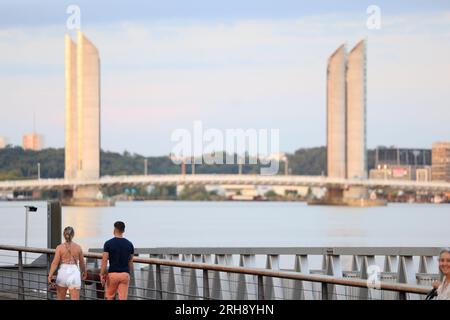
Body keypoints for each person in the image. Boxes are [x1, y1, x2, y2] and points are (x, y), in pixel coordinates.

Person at [48, 226, 86, 300]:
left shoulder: (59, 248)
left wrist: (50, 275)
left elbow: (55, 263)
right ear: (73, 235)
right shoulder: (78, 247)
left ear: (64, 235)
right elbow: (82, 263)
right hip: (74, 273)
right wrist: (84, 272)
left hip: (63, 273)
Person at [100, 221, 134, 300]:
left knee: (109, 297)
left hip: (113, 275)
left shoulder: (108, 243)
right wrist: (128, 274)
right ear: (123, 231)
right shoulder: (130, 244)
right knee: (123, 298)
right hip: (125, 274)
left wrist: (102, 275)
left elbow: (104, 261)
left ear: (114, 229)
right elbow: (130, 262)